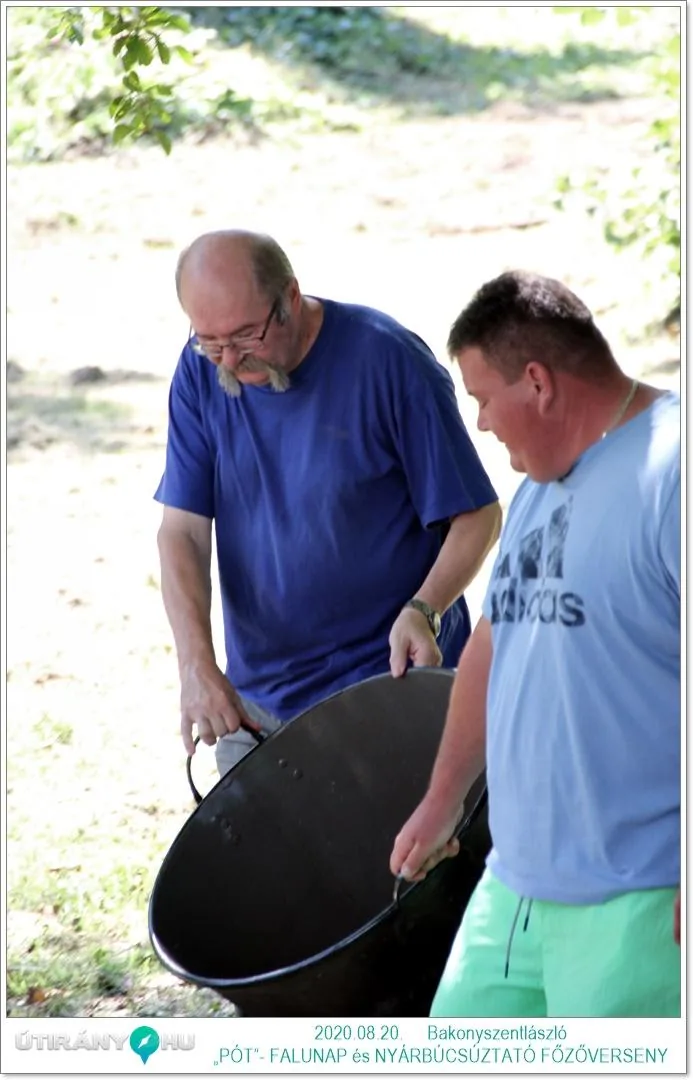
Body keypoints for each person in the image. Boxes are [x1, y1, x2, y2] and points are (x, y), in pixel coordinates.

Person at [390, 269, 681, 1018]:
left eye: (482, 399)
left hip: (639, 897)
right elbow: (494, 646)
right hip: (513, 884)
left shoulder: (671, 470)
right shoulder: (537, 487)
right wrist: (443, 797)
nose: (481, 424)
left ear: (538, 384)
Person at [155, 230, 501, 776]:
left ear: (290, 297)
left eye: (247, 334)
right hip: (262, 709)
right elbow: (183, 531)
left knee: (410, 859)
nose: (229, 358)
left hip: (395, 692)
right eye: (209, 340)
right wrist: (196, 664)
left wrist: (424, 608)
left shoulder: (388, 361)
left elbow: (477, 515)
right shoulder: (201, 370)